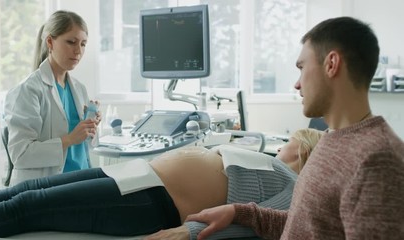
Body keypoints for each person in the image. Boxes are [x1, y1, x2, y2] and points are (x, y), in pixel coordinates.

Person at [163, 16, 404, 240]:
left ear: (331, 64)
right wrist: (238, 213)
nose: (297, 84)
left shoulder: (377, 160)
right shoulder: (334, 139)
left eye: (301, 67)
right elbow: (309, 226)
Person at [0, 128, 323, 238]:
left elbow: (255, 219)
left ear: (305, 147)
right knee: (20, 191)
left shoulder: (296, 186)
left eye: (290, 140)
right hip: (136, 175)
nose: (283, 143)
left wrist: (187, 233)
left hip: (155, 200)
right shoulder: (271, 161)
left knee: (24, 207)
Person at [3, 10, 101, 186]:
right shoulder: (28, 90)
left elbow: (85, 147)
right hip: (49, 189)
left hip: (82, 181)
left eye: (83, 44)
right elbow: (20, 155)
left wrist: (90, 128)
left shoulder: (79, 89)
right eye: (71, 42)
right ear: (50, 41)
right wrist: (69, 139)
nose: (78, 51)